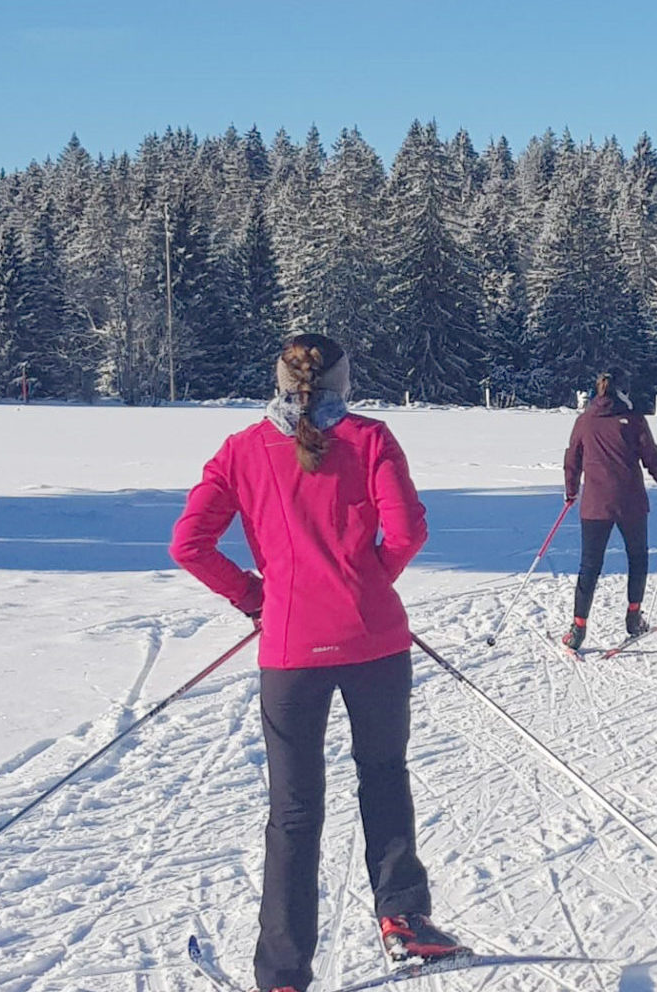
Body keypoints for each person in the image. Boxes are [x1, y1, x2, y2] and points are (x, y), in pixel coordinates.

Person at [170, 334, 462, 992]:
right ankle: (405, 922)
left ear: (279, 380)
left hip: (290, 650)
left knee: (294, 811)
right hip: (374, 641)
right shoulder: (370, 438)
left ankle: (282, 975)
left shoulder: (243, 450)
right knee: (384, 775)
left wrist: (255, 598)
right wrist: (369, 584)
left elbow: (188, 543)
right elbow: (408, 530)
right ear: (343, 380)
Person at [561, 367, 657, 653]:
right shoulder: (634, 420)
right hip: (631, 503)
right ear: (622, 390)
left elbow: (572, 460)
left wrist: (571, 492)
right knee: (637, 559)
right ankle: (633, 617)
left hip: (595, 504)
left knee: (589, 566)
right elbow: (654, 461)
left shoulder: (585, 421)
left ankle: (578, 628)